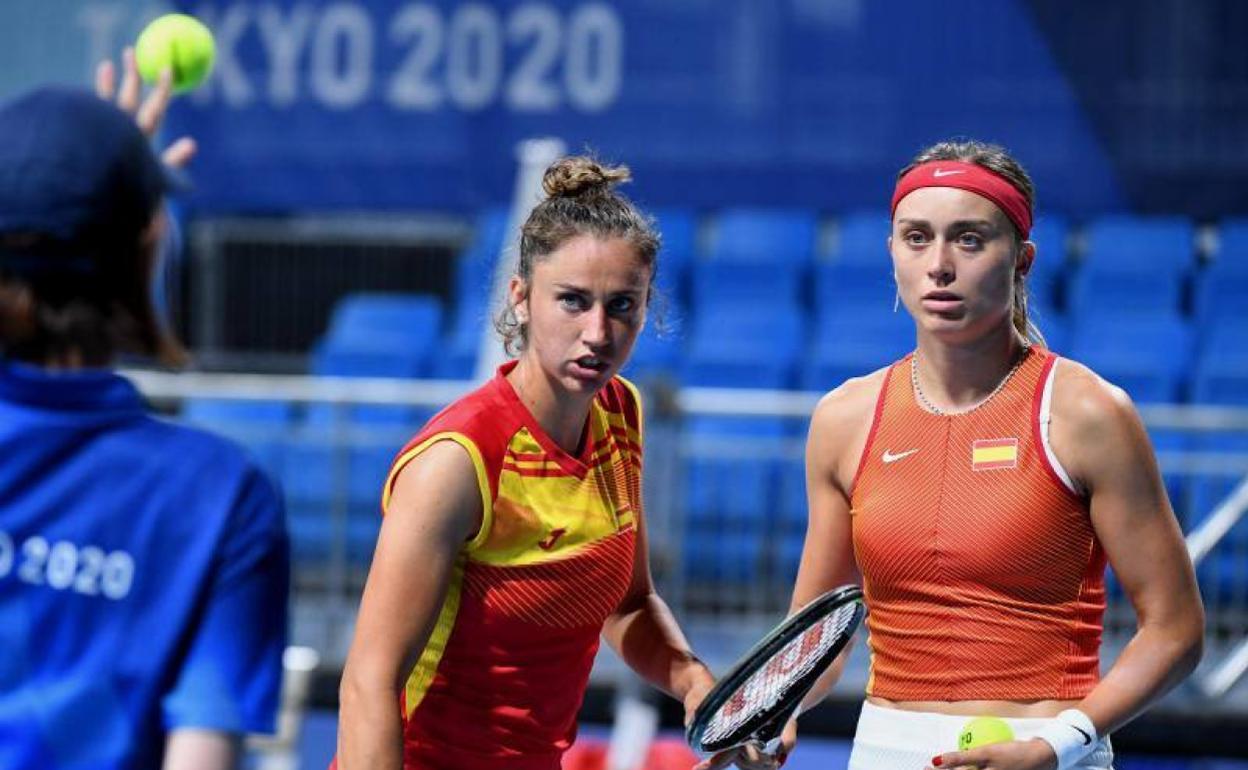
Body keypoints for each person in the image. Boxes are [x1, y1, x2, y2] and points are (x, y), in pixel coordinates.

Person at [771, 141, 1205, 770]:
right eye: (916, 238)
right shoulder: (843, 419)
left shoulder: (1088, 414)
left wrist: (1057, 745)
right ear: (891, 251)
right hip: (883, 750)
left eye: (969, 240)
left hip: (1047, 750)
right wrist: (773, 711)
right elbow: (817, 637)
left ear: (1022, 259)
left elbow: (1177, 630)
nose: (939, 265)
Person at [335, 156, 718, 770]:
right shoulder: (456, 463)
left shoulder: (621, 413)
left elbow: (628, 604)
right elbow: (368, 683)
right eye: (572, 301)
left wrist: (696, 684)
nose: (598, 331)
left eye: (623, 306)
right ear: (521, 299)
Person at [0, 51, 289, 770]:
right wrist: (102, 173)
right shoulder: (219, 497)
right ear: (150, 245)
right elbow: (202, 753)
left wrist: (85, 170)